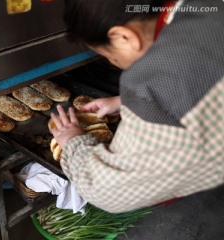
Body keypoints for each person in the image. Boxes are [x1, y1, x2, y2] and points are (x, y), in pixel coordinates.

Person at [50, 0, 224, 213]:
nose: (113, 62)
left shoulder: (159, 90)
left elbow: (109, 192)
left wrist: (71, 141)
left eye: (108, 55)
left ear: (124, 37)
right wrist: (123, 101)